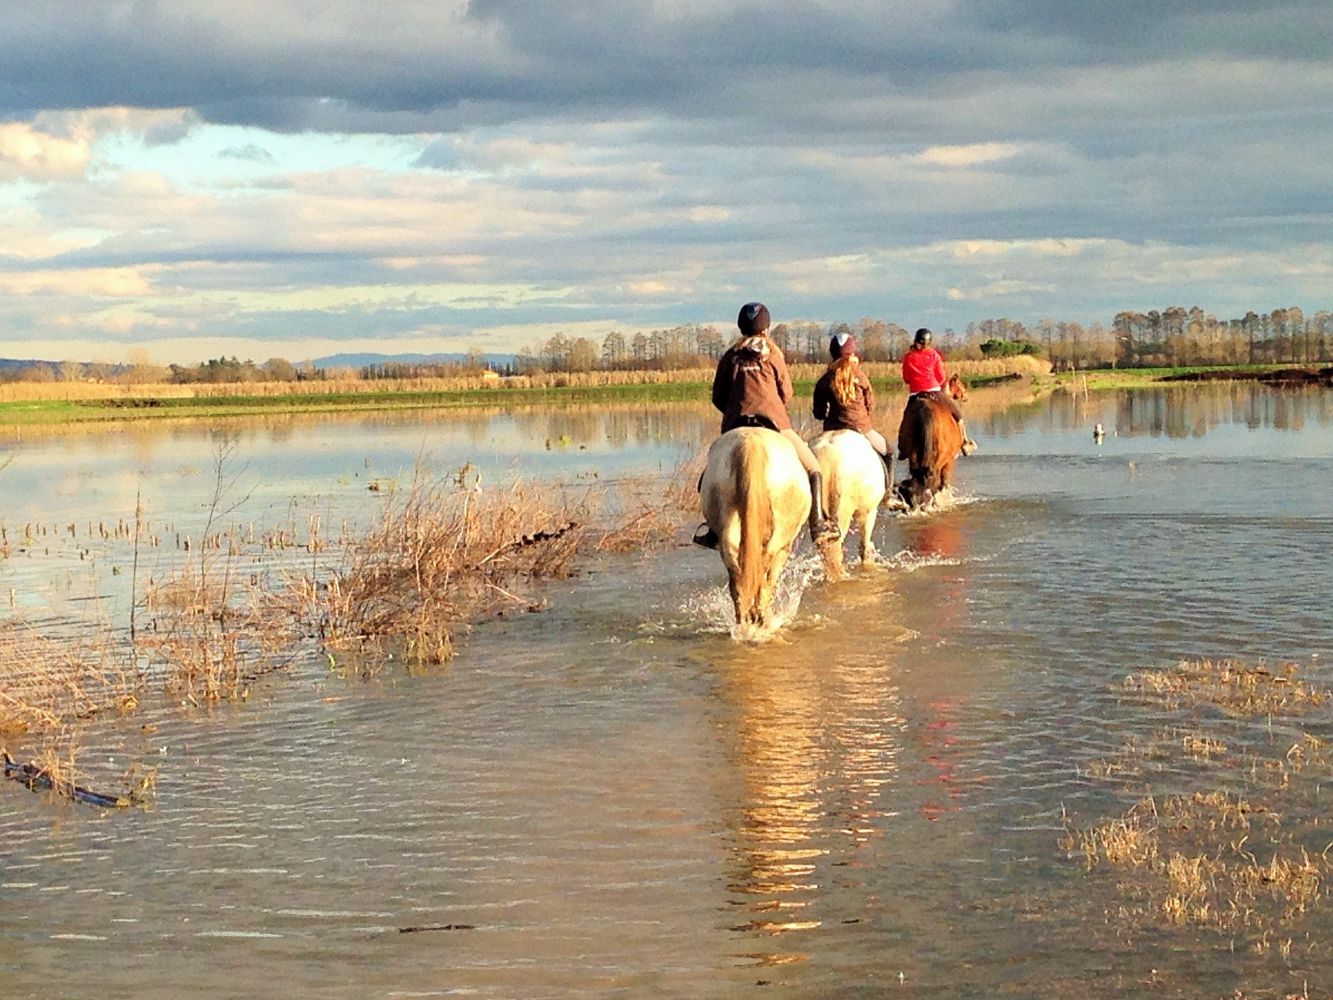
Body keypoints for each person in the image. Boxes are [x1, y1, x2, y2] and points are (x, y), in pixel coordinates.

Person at [694, 302, 840, 549]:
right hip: (774, 424)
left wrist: (735, 413)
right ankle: (818, 523)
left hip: (736, 425)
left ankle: (714, 530)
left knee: (707, 476)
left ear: (741, 327)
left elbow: (718, 397)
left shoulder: (730, 356)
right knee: (814, 469)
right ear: (766, 328)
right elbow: (787, 392)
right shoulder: (774, 354)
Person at [812, 332, 893, 489]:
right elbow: (870, 404)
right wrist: (861, 417)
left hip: (832, 428)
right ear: (852, 352)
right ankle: (888, 492)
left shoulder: (825, 379)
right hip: (860, 427)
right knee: (889, 451)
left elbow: (819, 413)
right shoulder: (860, 376)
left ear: (832, 352)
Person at [900, 328, 977, 456]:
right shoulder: (934, 355)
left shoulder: (908, 357)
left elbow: (906, 378)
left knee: (905, 420)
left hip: (916, 394)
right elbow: (941, 378)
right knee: (958, 416)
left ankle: (903, 447)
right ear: (928, 342)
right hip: (934, 392)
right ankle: (964, 443)